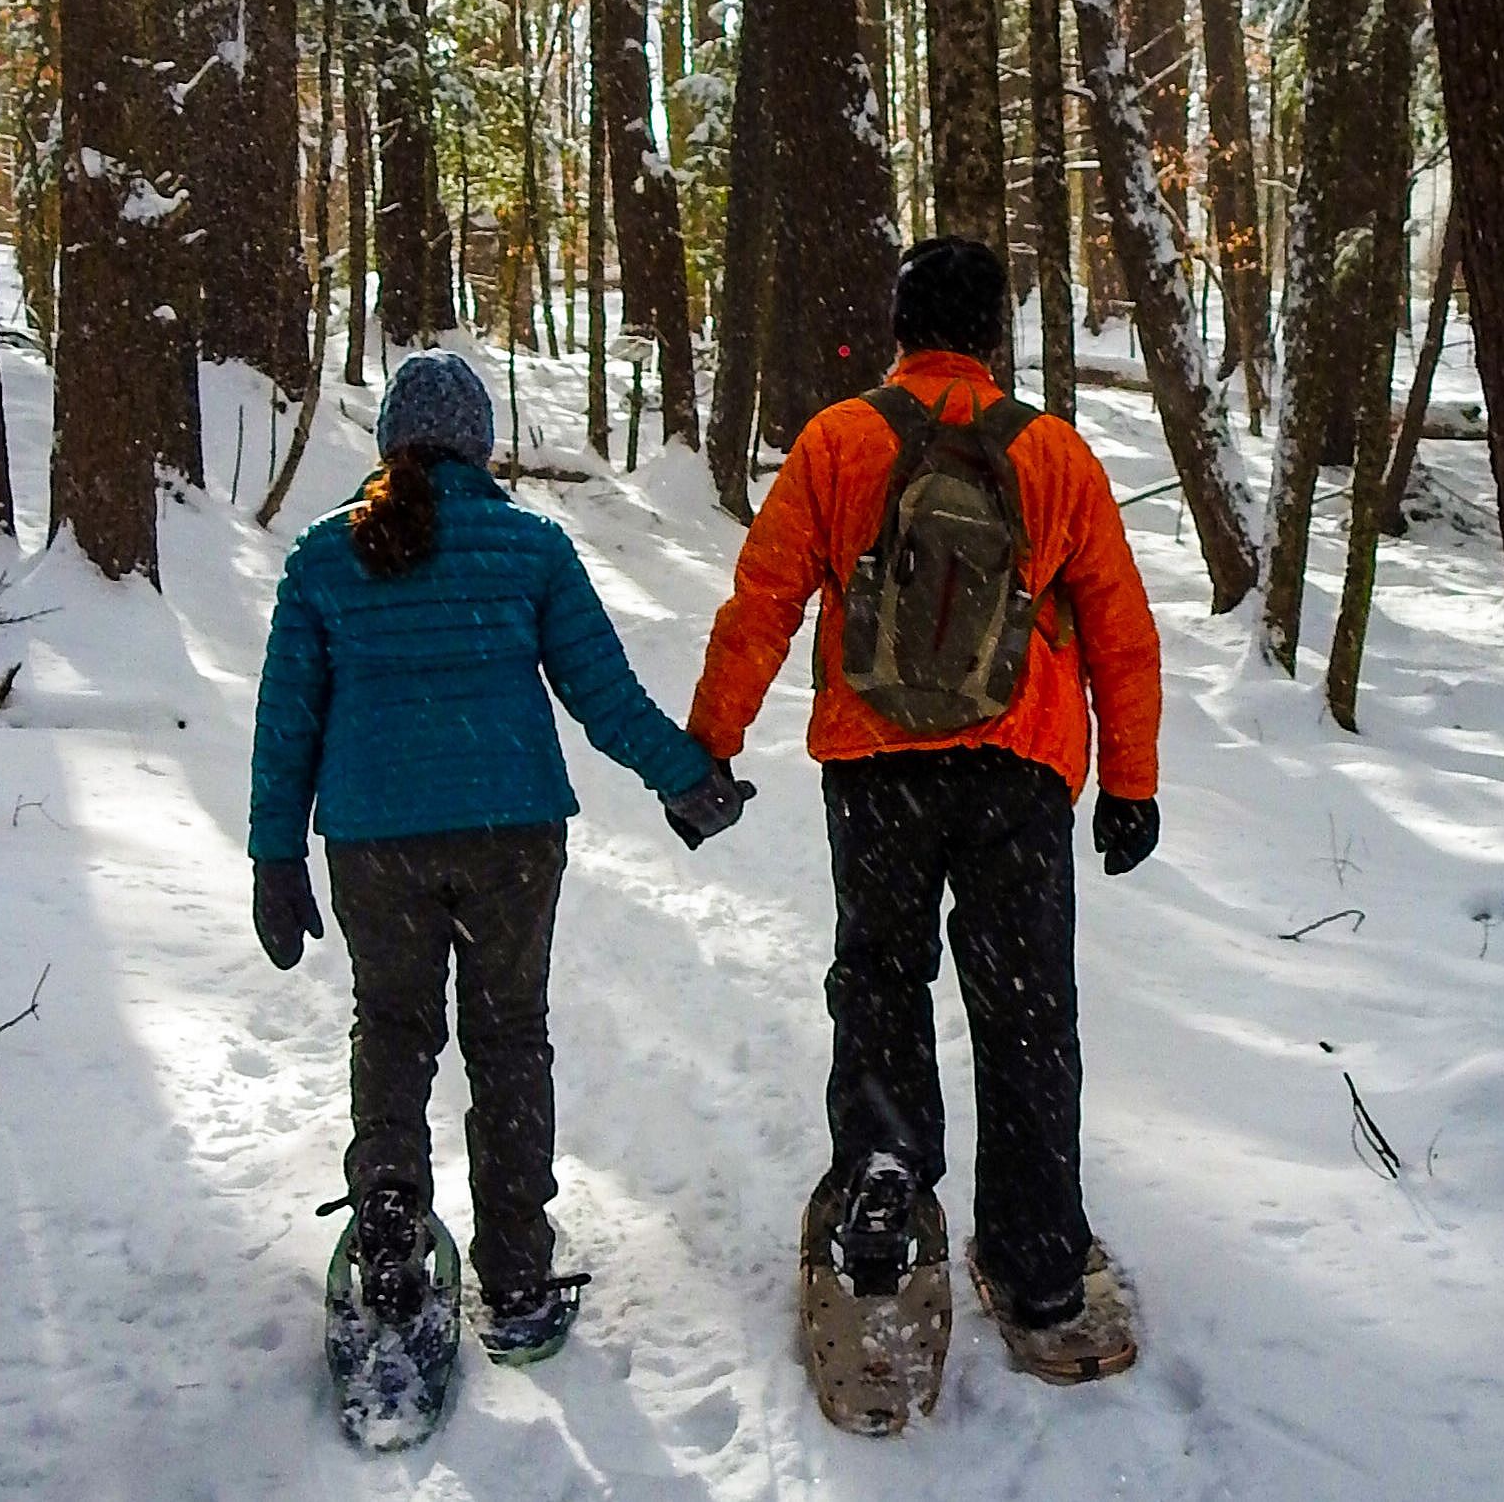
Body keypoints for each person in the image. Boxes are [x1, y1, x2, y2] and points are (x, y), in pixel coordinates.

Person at [687, 235, 1160, 1380]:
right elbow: (1120, 630)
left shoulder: (839, 441)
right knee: (1027, 1010)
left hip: (876, 770)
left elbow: (763, 601)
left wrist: (709, 746)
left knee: (883, 981)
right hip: (1020, 771)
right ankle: (1041, 1263)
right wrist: (1131, 784)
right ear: (993, 333)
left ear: (900, 328)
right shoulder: (1054, 453)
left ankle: (884, 1189)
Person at [249, 349, 751, 1365]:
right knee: (508, 1039)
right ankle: (517, 1270)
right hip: (510, 835)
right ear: (480, 446)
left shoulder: (322, 556)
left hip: (374, 838)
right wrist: (685, 778)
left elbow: (285, 724)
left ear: (390, 441)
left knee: (393, 1029)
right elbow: (604, 693)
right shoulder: (531, 547)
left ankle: (391, 1218)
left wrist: (275, 856)